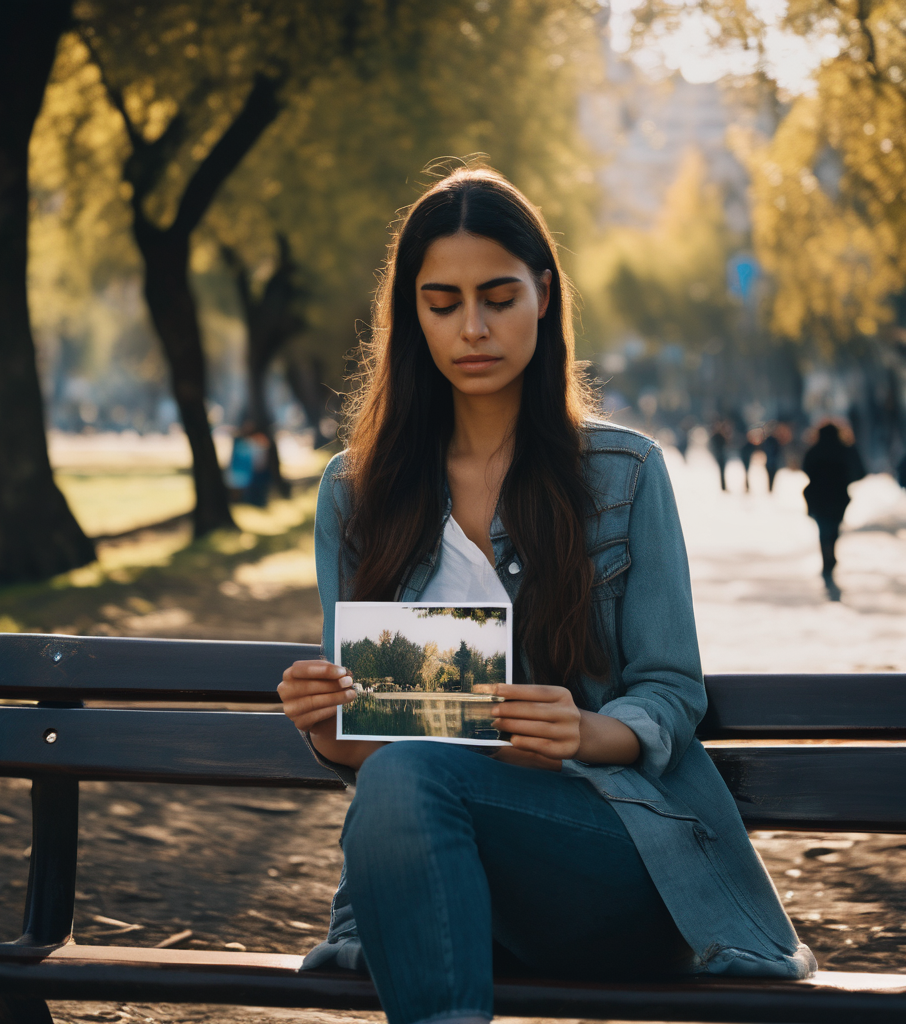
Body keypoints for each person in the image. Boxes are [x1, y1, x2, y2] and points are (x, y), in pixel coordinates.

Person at [277, 168, 814, 1024]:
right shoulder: (357, 492)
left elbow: (672, 689)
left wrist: (589, 730)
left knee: (410, 782)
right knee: (404, 778)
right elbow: (380, 746)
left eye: (498, 296)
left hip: (619, 860)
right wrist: (330, 729)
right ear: (411, 315)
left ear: (544, 296)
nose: (473, 327)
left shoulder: (625, 472)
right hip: (446, 873)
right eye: (442, 302)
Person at [802, 421, 865, 592]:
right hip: (838, 496)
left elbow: (805, 468)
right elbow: (860, 471)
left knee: (823, 529)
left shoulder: (814, 450)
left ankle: (827, 558)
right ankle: (830, 557)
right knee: (833, 528)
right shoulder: (845, 450)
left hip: (818, 496)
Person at [708, 419, 729, 490]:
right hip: (720, 456)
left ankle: (723, 486)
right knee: (722, 471)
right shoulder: (717, 436)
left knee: (722, 471)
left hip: (722, 455)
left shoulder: (720, 435)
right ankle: (723, 486)